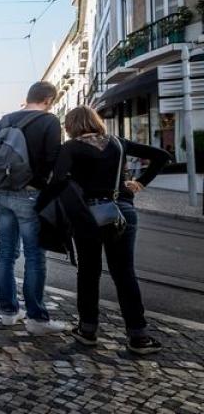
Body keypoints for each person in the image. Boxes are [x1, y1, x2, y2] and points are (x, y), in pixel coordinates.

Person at [49, 106, 169, 354]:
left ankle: (88, 329)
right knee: (124, 274)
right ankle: (139, 337)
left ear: (71, 126)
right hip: (121, 211)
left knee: (88, 272)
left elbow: (58, 182)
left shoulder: (70, 148)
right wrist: (139, 183)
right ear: (95, 122)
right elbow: (161, 156)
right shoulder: (118, 143)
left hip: (87, 216)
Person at [0, 81, 66, 335]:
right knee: (34, 256)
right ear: (48, 100)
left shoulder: (3, 121)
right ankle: (36, 318)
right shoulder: (49, 122)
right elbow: (53, 161)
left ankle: (8, 313)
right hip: (31, 195)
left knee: (6, 253)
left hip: (2, 194)